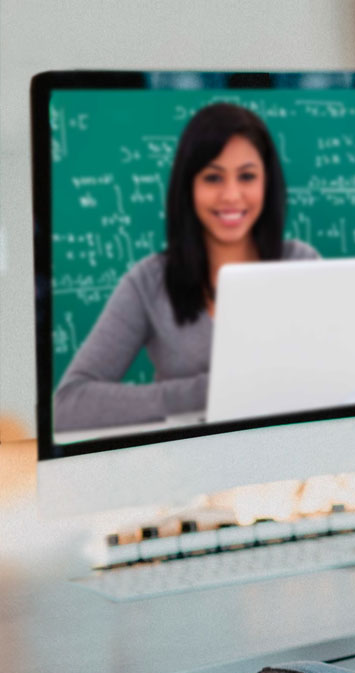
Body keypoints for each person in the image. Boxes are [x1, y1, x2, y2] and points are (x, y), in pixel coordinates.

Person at [54, 103, 319, 432]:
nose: (232, 195)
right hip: (187, 471)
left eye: (247, 176)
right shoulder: (148, 282)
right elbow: (67, 405)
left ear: (268, 183)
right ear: (189, 186)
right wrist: (207, 393)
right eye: (212, 177)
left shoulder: (302, 265)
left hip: (295, 461)